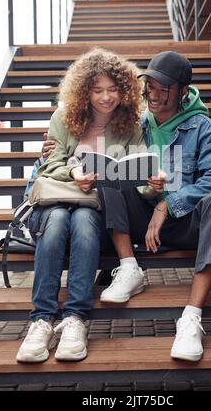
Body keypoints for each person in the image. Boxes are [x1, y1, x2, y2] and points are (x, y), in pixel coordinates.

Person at [97, 51, 211, 362]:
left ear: (182, 91)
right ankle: (129, 268)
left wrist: (169, 204)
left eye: (164, 88)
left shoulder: (202, 127)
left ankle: (191, 317)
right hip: (141, 220)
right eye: (150, 85)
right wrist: (53, 143)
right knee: (109, 174)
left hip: (186, 223)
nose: (155, 94)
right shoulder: (137, 122)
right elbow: (92, 131)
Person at [16, 47, 146, 363]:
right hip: (54, 203)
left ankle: (75, 318)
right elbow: (50, 164)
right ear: (84, 89)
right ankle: (42, 320)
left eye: (113, 89)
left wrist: (148, 182)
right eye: (97, 89)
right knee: (59, 219)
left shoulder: (130, 124)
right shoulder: (63, 117)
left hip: (95, 207)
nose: (106, 97)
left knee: (85, 219)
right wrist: (75, 171)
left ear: (125, 90)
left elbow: (139, 170)